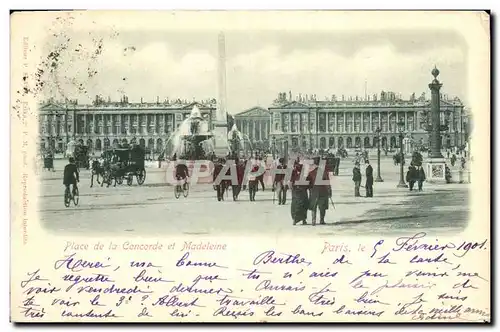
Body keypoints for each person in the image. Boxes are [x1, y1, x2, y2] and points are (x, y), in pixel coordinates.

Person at [307, 157, 331, 225]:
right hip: (323, 191)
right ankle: (321, 220)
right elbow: (327, 183)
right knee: (322, 207)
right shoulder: (324, 173)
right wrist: (329, 192)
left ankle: (313, 221)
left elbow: (308, 183)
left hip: (314, 192)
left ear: (314, 164)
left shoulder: (311, 173)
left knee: (313, 207)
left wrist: (309, 189)